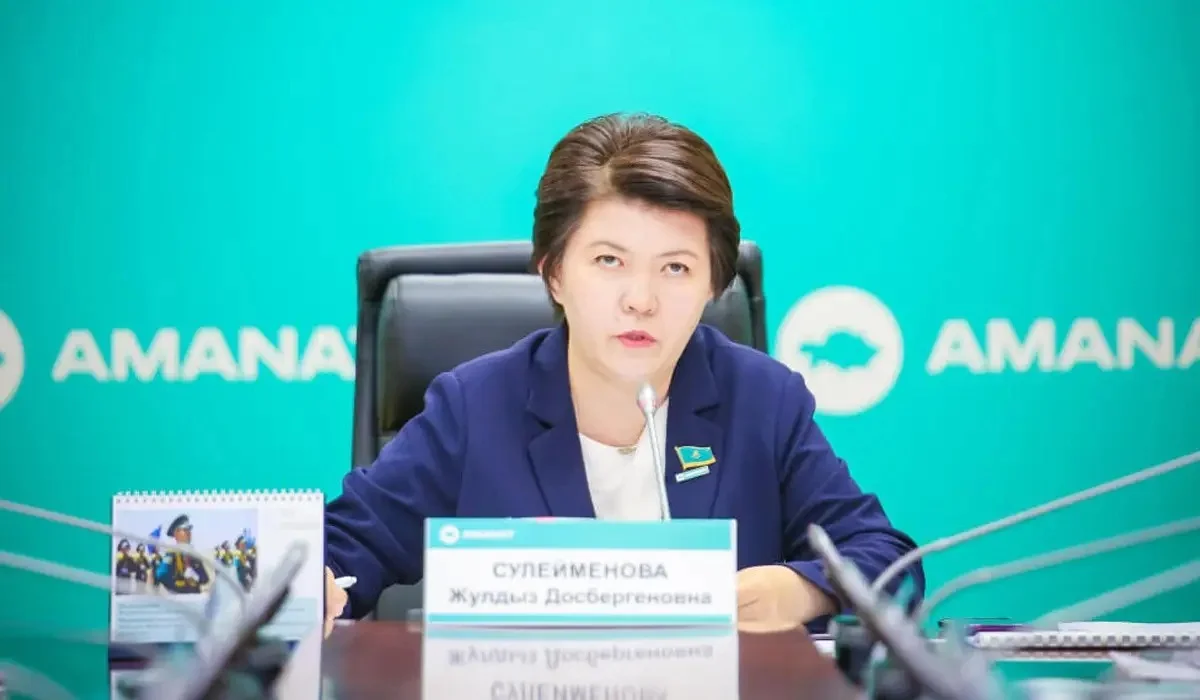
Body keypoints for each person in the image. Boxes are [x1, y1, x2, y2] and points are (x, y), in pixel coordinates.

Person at [323, 112, 924, 629]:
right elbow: (343, 547)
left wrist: (805, 590)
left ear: (714, 284)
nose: (641, 299)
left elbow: (889, 564)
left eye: (676, 268)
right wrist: (317, 589)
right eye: (610, 261)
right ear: (554, 273)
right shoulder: (476, 407)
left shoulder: (763, 401)